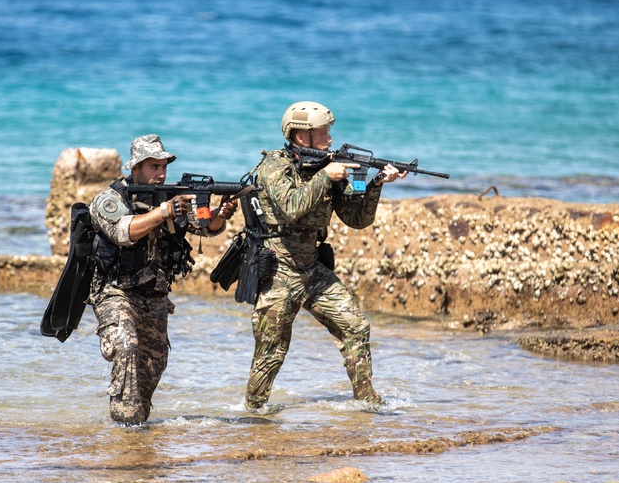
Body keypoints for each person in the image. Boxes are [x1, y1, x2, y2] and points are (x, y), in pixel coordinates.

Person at [243, 101, 407, 409]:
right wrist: (325, 177)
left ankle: (367, 403)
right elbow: (291, 208)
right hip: (281, 269)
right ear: (302, 136)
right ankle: (253, 415)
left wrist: (376, 184)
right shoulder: (274, 166)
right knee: (272, 351)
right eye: (324, 131)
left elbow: (357, 220)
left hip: (312, 267)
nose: (330, 138)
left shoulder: (325, 167)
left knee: (355, 326)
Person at [89, 134, 238, 425]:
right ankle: (126, 433)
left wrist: (220, 214)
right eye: (152, 167)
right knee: (127, 347)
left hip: (154, 296)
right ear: (136, 169)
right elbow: (124, 231)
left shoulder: (170, 198)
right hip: (115, 292)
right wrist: (164, 211)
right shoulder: (110, 199)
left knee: (153, 365)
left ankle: (138, 434)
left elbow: (205, 228)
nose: (159, 173)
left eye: (163, 166)